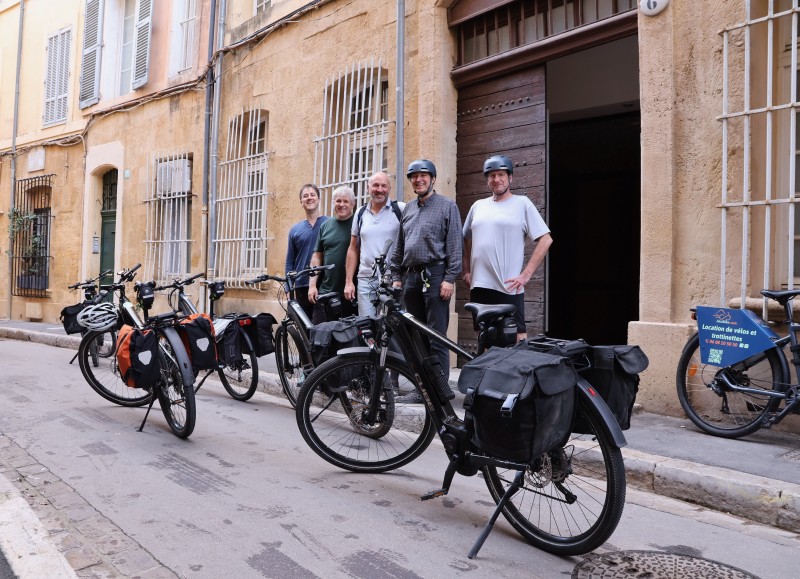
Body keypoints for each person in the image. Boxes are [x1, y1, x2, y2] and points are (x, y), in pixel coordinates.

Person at [391, 160, 462, 402]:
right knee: (417, 337)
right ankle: (421, 390)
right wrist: (395, 276)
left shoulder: (447, 207)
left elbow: (455, 245)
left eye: (423, 175)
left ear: (432, 178)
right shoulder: (408, 209)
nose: (418, 180)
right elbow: (399, 246)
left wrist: (450, 278)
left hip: (436, 276)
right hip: (411, 278)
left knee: (436, 336)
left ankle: (441, 390)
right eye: (414, 176)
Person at [462, 155, 553, 341]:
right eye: (492, 175)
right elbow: (466, 237)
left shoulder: (522, 203)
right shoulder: (478, 206)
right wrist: (466, 270)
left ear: (510, 177)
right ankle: (487, 370)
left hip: (508, 286)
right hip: (480, 285)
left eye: (501, 174)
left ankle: (519, 371)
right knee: (484, 336)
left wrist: (526, 274)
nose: (497, 179)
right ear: (487, 179)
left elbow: (546, 239)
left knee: (517, 336)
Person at [343, 172, 405, 316]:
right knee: (367, 326)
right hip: (366, 279)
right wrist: (349, 282)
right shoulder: (360, 213)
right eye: (375, 185)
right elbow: (353, 248)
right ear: (368, 187)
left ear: (389, 188)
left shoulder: (400, 209)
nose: (379, 189)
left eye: (384, 186)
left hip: (392, 279)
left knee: (391, 327)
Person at [308, 186, 357, 323]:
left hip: (350, 294)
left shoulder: (358, 224)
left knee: (347, 340)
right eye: (338, 201)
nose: (342, 205)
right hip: (326, 291)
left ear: (353, 204)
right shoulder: (325, 225)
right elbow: (317, 256)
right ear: (333, 203)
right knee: (319, 335)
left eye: (346, 201)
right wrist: (312, 285)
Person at [285, 184, 329, 319]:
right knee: (304, 330)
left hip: (325, 284)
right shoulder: (295, 230)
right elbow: (290, 261)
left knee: (322, 328)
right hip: (301, 285)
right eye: (305, 196)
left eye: (312, 195)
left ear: (319, 199)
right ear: (301, 202)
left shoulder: (330, 223)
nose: (309, 198)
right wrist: (288, 288)